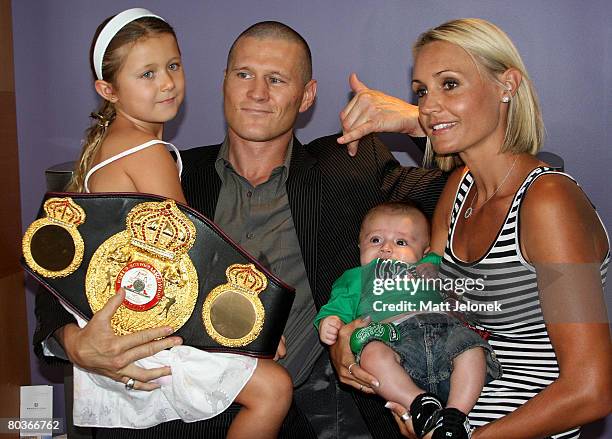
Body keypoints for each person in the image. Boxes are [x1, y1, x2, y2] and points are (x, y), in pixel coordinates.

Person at [33, 20, 448, 438]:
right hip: (162, 417)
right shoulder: (169, 168)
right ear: (224, 84)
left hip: (292, 416)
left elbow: (481, 193)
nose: (257, 93)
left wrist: (418, 123)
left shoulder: (351, 166)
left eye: (277, 79)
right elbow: (63, 248)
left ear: (306, 96)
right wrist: (73, 343)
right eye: (244, 75)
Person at [333, 18, 611, 439]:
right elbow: (430, 311)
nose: (428, 105)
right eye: (422, 91)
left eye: (450, 84)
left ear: (507, 85)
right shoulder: (458, 192)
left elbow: (590, 390)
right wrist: (352, 344)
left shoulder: (547, 203)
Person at [59, 8, 292, 438]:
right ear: (107, 89)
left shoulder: (109, 147)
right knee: (274, 390)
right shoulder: (146, 153)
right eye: (146, 74)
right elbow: (191, 256)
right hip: (145, 325)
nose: (166, 82)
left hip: (125, 319)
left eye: (172, 66)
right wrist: (253, 330)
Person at [316, 201, 501, 439]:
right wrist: (330, 321)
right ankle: (419, 404)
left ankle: (455, 416)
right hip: (394, 337)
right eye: (375, 240)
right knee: (372, 354)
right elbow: (337, 307)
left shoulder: (430, 264)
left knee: (472, 349)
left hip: (445, 329)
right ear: (360, 246)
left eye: (401, 242)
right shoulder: (356, 277)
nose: (386, 248)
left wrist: (438, 271)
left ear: (424, 251)